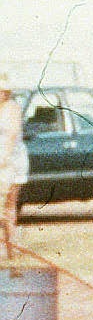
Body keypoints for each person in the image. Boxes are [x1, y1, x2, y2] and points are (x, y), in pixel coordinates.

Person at [0, 83, 24, 259]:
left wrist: (4, 159)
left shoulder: (13, 109)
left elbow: (12, 135)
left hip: (12, 163)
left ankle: (12, 249)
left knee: (8, 206)